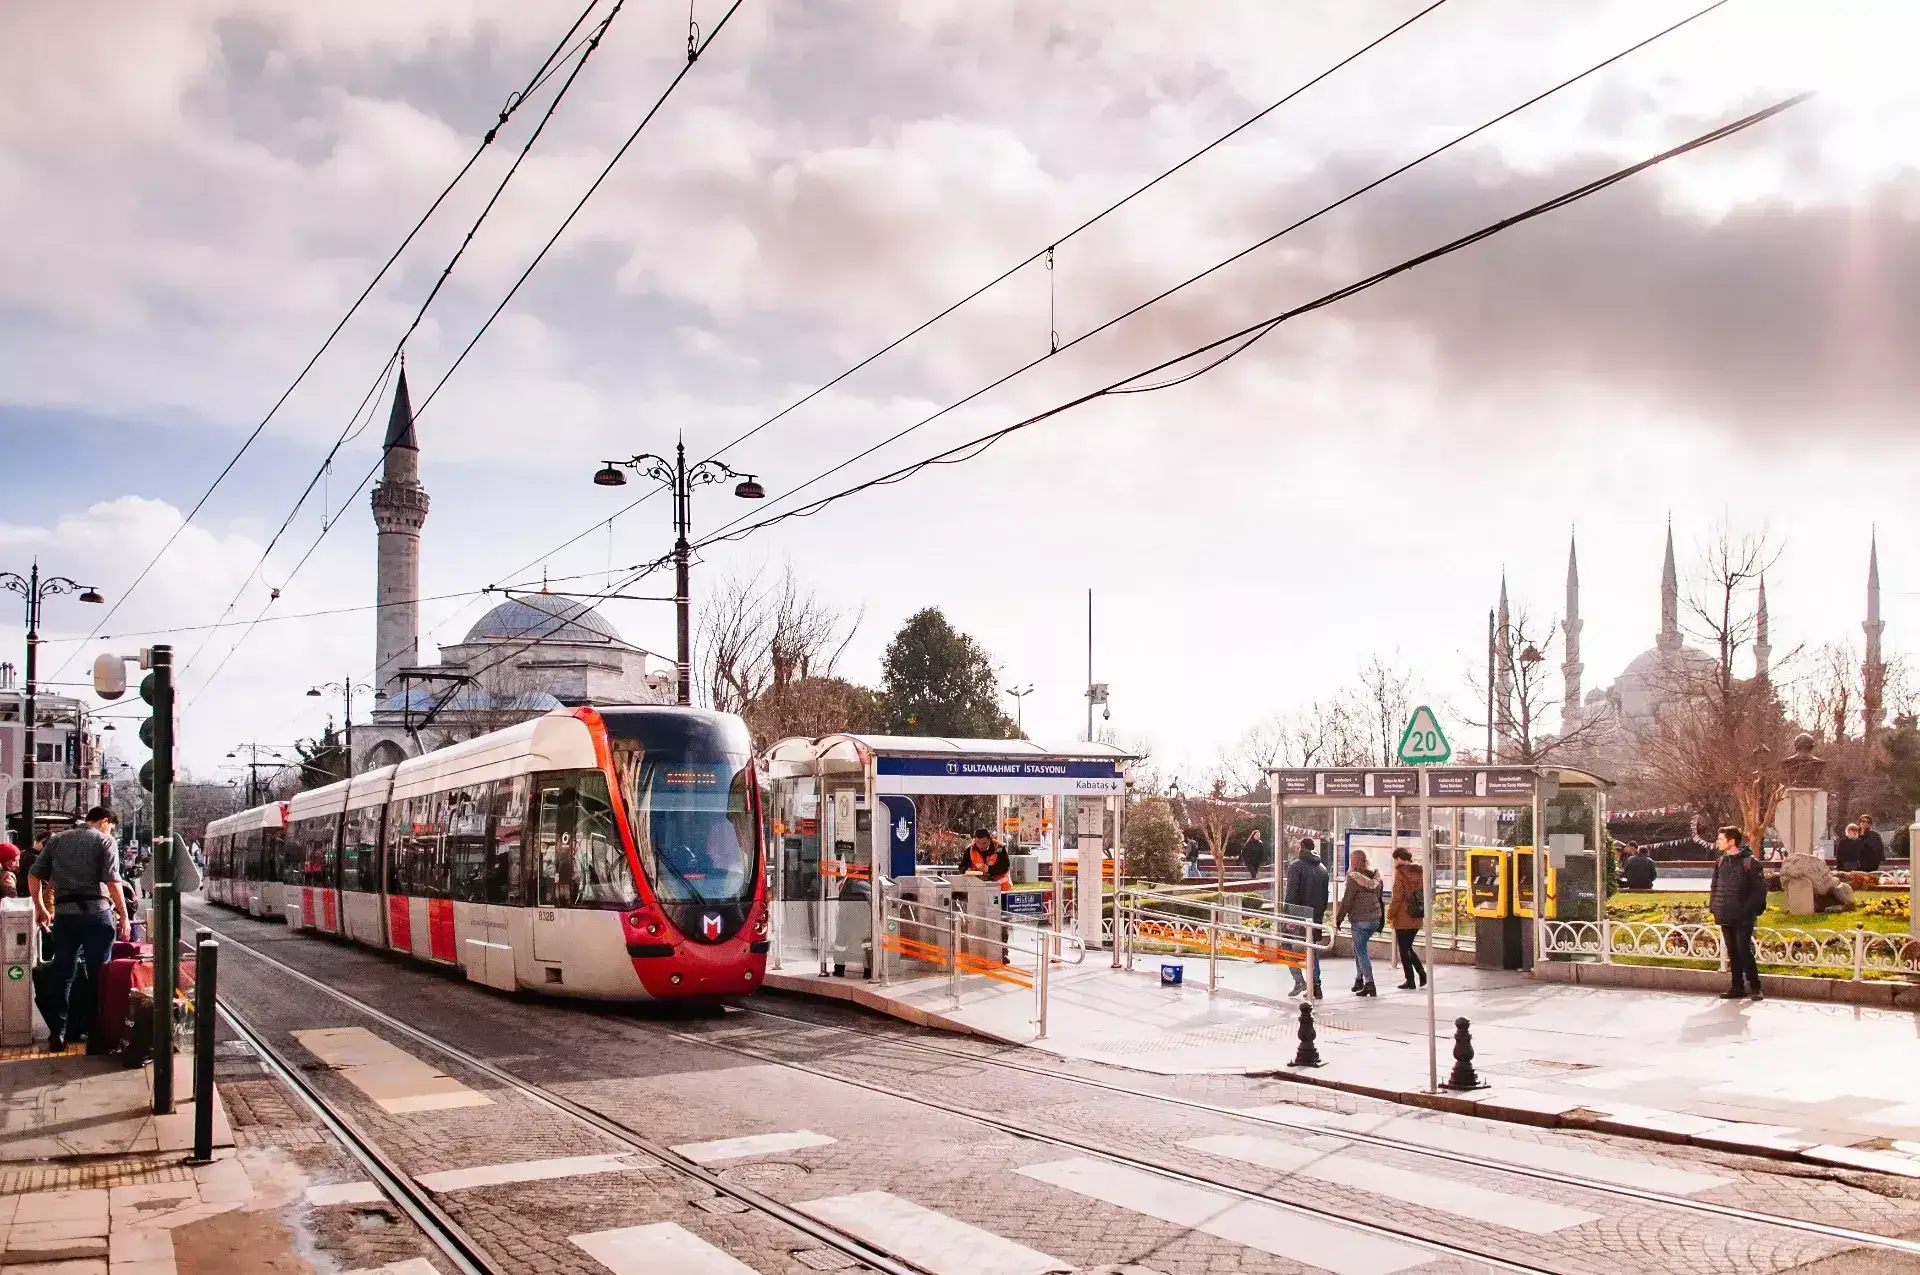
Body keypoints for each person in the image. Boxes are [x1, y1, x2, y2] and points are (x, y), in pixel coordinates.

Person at [28, 807, 131, 1051]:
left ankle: (59, 1033)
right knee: (99, 974)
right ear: (104, 821)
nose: (110, 831)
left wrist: (41, 908)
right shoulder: (105, 841)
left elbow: (34, 875)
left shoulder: (57, 840)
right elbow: (112, 880)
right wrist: (124, 916)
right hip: (97, 913)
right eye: (111, 827)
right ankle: (97, 1036)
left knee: (63, 972)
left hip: (65, 915)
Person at [1709, 824, 1767, 1002]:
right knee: (1733, 951)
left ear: (1731, 841)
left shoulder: (1750, 862)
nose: (1717, 842)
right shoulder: (1720, 862)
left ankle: (1755, 987)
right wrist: (1714, 907)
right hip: (1725, 913)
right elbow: (1715, 887)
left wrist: (1748, 909)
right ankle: (1737, 987)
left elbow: (1759, 890)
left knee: (1744, 949)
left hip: (1743, 915)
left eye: (1720, 839)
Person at [1333, 849, 1384, 997]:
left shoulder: (1353, 878)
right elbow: (1379, 898)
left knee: (1361, 952)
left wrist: (1338, 918)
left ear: (1353, 861)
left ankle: (1370, 983)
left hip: (1361, 920)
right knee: (1358, 949)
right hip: (1375, 919)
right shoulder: (1376, 877)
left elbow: (1347, 901)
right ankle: (1359, 980)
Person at [1284, 838, 1329, 1000]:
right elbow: (1325, 897)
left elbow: (1291, 894)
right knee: (1312, 949)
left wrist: (1288, 916)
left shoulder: (1296, 867)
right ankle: (1316, 985)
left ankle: (1299, 980)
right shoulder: (1323, 868)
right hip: (1315, 917)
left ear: (1301, 848)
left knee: (1286, 944)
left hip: (1298, 915)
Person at [1387, 847, 1427, 990]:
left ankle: (1411, 979)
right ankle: (1420, 974)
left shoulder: (1401, 873)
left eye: (1395, 860)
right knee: (1408, 947)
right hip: (1417, 915)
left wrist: (1390, 914)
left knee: (1404, 950)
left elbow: (1397, 898)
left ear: (1399, 859)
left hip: (1403, 917)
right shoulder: (1420, 872)